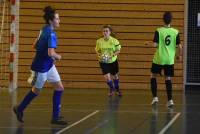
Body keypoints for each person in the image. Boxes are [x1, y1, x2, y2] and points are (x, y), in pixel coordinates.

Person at [13, 6, 67, 125]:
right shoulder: (51, 34)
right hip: (41, 68)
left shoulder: (43, 29)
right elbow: (51, 53)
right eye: (57, 19)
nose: (59, 21)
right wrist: (59, 57)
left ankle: (55, 117)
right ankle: (19, 108)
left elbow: (34, 45)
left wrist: (45, 51)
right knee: (36, 91)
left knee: (59, 87)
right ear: (50, 21)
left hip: (49, 65)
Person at [146, 12, 182, 107]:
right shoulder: (176, 32)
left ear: (163, 19)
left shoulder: (159, 30)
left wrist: (148, 43)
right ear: (171, 20)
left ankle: (155, 98)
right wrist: (179, 55)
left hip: (159, 58)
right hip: (169, 60)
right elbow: (180, 46)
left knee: (153, 76)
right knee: (168, 78)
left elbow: (155, 44)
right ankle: (170, 100)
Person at [95, 25, 122, 97]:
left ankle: (117, 89)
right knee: (107, 77)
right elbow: (97, 50)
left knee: (115, 76)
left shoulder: (114, 41)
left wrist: (112, 55)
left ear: (110, 32)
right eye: (104, 31)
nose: (105, 32)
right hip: (103, 62)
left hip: (113, 61)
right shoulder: (99, 41)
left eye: (106, 31)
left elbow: (118, 50)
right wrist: (100, 55)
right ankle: (111, 88)